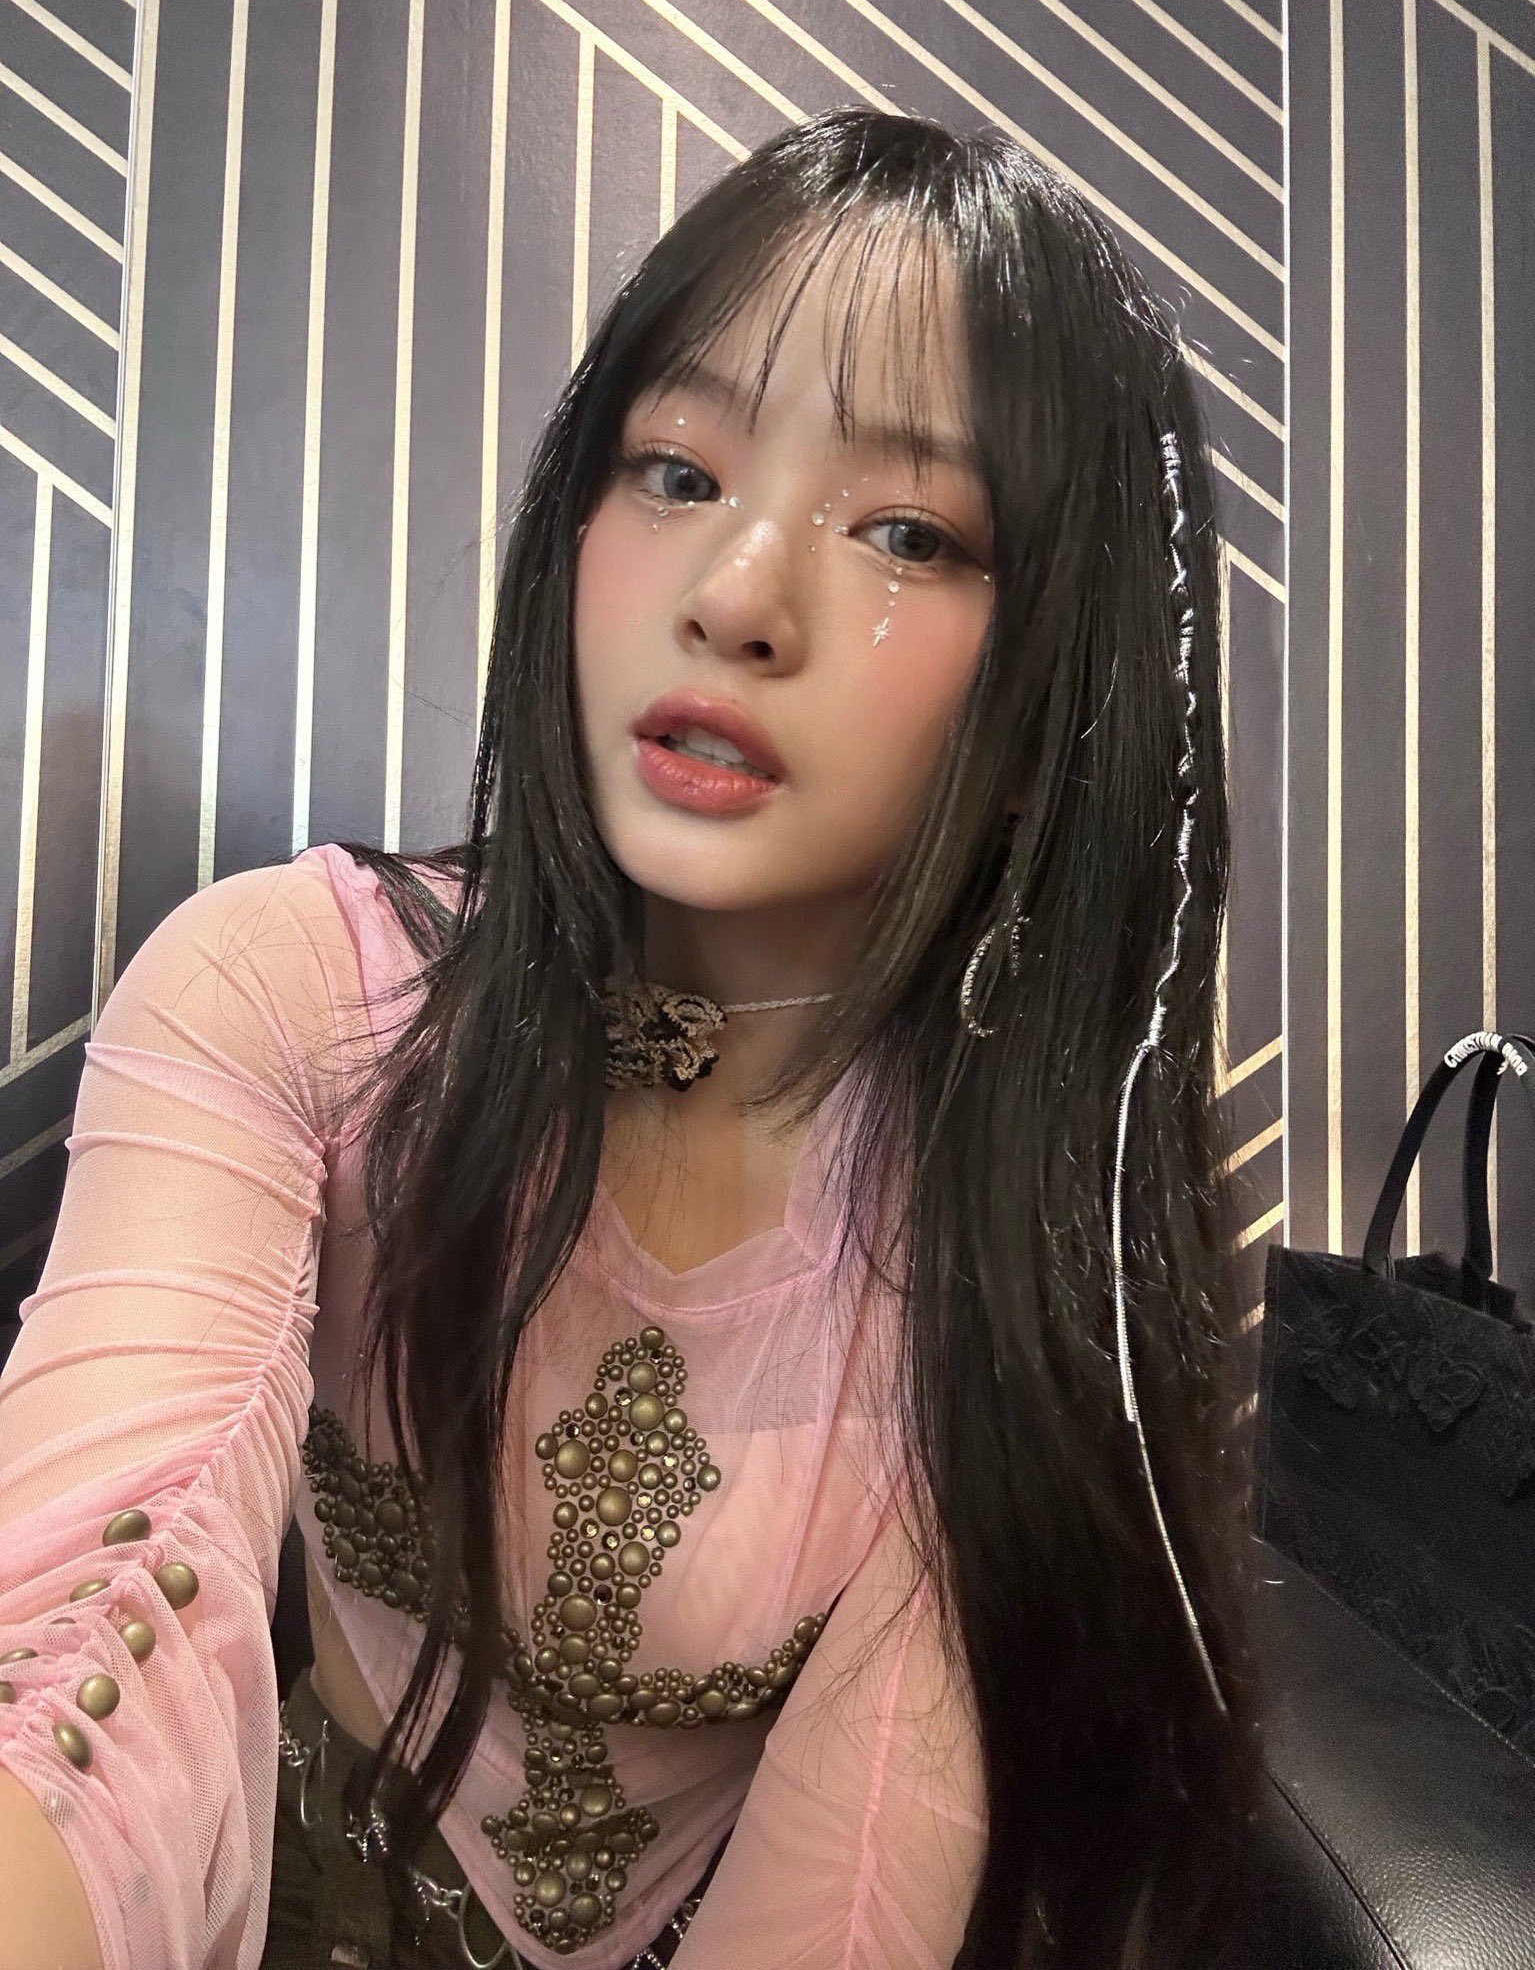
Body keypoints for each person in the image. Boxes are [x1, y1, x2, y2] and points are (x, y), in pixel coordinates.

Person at [0, 106, 1265, 1970]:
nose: (735, 595)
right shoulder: (288, 998)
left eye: (908, 530)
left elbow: (849, 1897)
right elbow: (94, 1620)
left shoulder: (1013, 1259)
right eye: (677, 469)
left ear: (1052, 698)